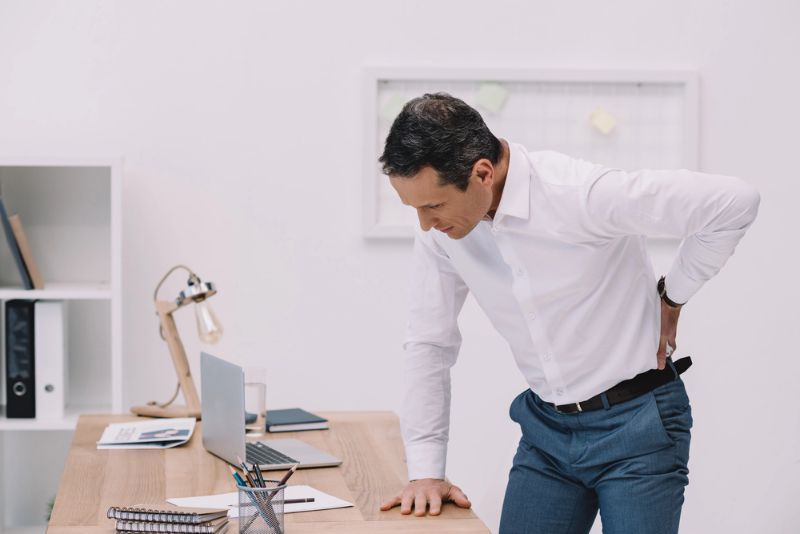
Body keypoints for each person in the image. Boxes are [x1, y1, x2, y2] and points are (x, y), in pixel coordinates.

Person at [376, 93, 760, 534]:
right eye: (416, 210)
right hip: (547, 432)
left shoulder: (580, 194)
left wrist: (673, 296)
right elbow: (430, 342)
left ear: (482, 173)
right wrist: (426, 470)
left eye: (433, 206)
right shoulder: (442, 232)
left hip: (639, 427)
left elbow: (735, 202)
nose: (426, 225)